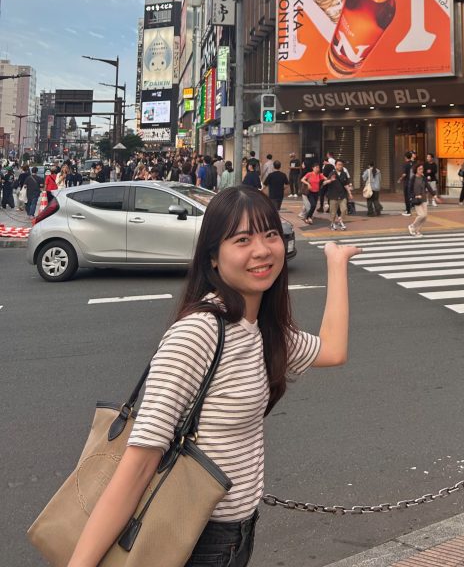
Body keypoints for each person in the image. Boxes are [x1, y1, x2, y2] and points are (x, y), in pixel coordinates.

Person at [64, 186, 362, 567]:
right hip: (194, 539)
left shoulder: (262, 329)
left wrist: (337, 263)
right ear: (213, 259)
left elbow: (333, 351)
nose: (262, 250)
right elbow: (138, 465)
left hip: (237, 534)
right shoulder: (199, 333)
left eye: (270, 234)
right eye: (242, 240)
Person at [323, 159, 352, 231]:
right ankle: (332, 223)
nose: (340, 166)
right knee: (333, 212)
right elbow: (324, 183)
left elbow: (346, 184)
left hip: (342, 195)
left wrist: (349, 193)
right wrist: (330, 180)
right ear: (335, 165)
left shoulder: (344, 174)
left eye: (341, 165)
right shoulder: (332, 173)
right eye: (339, 165)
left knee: (344, 209)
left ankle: (340, 221)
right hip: (333, 195)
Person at [407, 162, 428, 237]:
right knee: (421, 215)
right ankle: (412, 226)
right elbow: (409, 190)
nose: (421, 170)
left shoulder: (423, 178)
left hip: (424, 199)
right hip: (417, 200)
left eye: (422, 169)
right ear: (416, 170)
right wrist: (415, 196)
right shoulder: (413, 178)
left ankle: (417, 230)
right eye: (419, 169)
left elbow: (428, 186)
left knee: (425, 217)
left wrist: (434, 195)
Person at [399, 151, 414, 216]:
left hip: (407, 182)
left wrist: (400, 179)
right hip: (412, 182)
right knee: (410, 196)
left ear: (405, 157)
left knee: (407, 197)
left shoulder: (406, 164)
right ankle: (408, 209)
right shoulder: (413, 163)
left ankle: (408, 211)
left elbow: (404, 174)